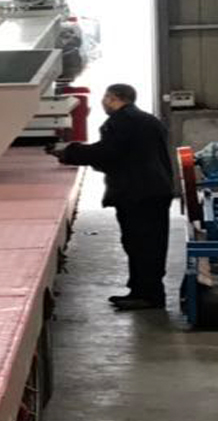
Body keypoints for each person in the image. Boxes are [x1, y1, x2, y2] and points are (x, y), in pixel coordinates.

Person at [52, 83, 177, 310]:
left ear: (113, 98)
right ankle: (142, 291)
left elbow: (108, 153)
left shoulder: (122, 122)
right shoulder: (149, 120)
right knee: (149, 243)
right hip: (154, 190)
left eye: (105, 98)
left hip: (137, 193)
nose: (103, 103)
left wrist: (69, 152)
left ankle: (149, 296)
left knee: (140, 244)